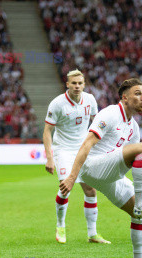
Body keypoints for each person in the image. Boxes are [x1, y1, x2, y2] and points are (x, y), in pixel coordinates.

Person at [60, 78, 142, 258]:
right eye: (137, 93)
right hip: (93, 168)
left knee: (138, 215)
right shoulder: (109, 113)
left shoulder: (133, 126)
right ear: (124, 98)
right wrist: (71, 177)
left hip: (111, 175)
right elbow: (86, 145)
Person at [44, 69, 110, 244]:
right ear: (67, 84)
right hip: (63, 150)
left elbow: (98, 124)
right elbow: (47, 131)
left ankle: (92, 234)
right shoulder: (57, 104)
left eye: (80, 83)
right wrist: (49, 158)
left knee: (90, 189)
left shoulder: (90, 100)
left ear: (84, 84)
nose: (77, 86)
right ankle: (60, 226)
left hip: (83, 149)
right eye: (73, 83)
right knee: (66, 188)